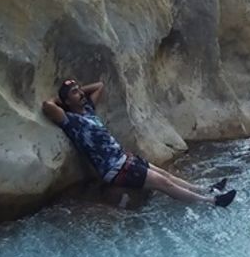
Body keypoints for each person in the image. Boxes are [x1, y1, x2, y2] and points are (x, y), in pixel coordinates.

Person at [41, 79, 237, 207]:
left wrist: (76, 91)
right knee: (163, 183)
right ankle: (211, 201)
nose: (81, 94)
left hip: (125, 159)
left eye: (79, 90)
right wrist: (62, 99)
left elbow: (100, 85)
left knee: (165, 174)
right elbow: (47, 105)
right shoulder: (70, 120)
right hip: (115, 169)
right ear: (66, 101)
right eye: (75, 93)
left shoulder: (88, 111)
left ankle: (205, 189)